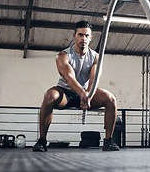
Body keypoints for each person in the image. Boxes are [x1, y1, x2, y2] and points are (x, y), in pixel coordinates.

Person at [33, 20, 120, 152]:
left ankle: (108, 141)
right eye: (80, 35)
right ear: (74, 36)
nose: (83, 38)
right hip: (65, 94)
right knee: (49, 96)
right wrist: (81, 93)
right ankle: (42, 141)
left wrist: (88, 95)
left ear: (90, 38)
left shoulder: (96, 57)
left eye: (86, 35)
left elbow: (93, 79)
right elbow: (69, 78)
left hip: (87, 93)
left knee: (111, 99)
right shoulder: (63, 56)